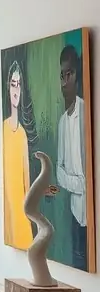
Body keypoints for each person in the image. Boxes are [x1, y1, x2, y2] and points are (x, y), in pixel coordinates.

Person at [57, 44, 87, 270]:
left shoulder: (86, 113)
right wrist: (81, 184)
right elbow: (59, 171)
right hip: (76, 212)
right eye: (62, 75)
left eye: (70, 74)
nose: (65, 80)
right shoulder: (62, 123)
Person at [2, 61, 34, 249]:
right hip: (7, 212)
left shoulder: (22, 134)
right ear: (8, 88)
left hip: (21, 214)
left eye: (19, 84)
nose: (16, 90)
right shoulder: (2, 129)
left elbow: (26, 181)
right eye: (13, 84)